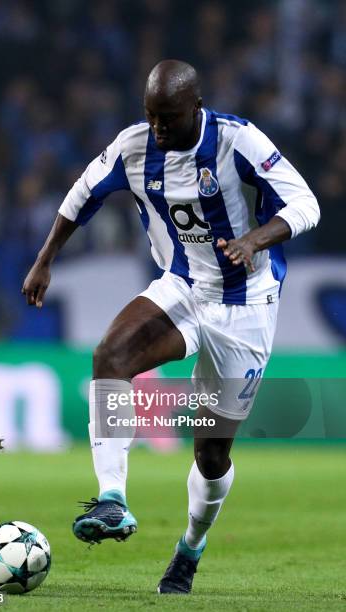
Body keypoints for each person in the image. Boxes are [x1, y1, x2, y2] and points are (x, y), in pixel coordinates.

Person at [22, 60, 320, 594]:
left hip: (246, 305)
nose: (158, 127)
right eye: (151, 115)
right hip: (182, 284)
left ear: (196, 107)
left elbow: (306, 203)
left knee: (211, 455)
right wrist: (46, 259)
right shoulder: (135, 147)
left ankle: (190, 548)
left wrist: (254, 240)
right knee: (109, 356)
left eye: (170, 117)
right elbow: (81, 195)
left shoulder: (238, 139)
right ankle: (112, 499)